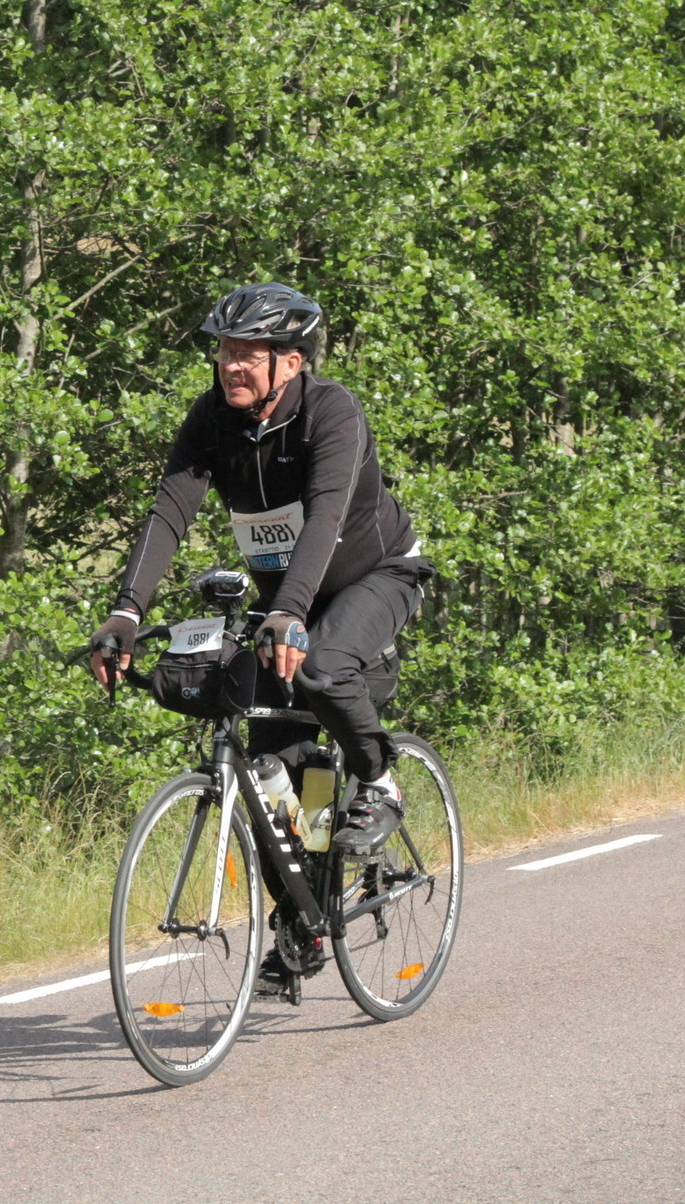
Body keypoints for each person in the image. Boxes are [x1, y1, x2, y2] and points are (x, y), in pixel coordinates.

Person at [88, 282, 433, 992]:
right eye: (224, 352)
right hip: (288, 597)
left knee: (321, 669)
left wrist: (292, 610)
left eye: (248, 354)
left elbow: (326, 519)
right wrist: (125, 613)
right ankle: (305, 918)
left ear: (292, 362)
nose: (231, 366)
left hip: (375, 573)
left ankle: (378, 778)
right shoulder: (212, 420)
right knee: (274, 759)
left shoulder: (332, 414)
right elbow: (169, 513)